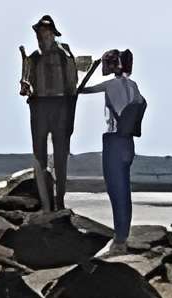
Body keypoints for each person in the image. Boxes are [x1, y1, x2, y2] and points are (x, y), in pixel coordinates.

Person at [16, 16, 94, 209]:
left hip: (60, 107)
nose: (42, 37)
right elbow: (26, 81)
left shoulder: (64, 55)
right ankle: (44, 202)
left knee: (61, 157)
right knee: (39, 155)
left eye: (45, 33)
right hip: (40, 107)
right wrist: (25, 87)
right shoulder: (33, 58)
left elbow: (72, 83)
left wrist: (70, 109)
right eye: (39, 34)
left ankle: (59, 200)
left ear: (52, 34)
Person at [94, 47, 145, 245]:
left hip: (114, 139)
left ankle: (120, 236)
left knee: (115, 189)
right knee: (125, 190)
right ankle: (123, 232)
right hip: (128, 142)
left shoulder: (110, 85)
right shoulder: (134, 86)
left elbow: (81, 90)